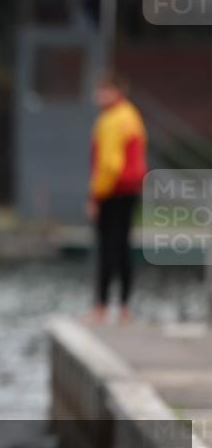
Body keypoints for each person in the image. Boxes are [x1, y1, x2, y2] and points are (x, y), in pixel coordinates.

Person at [84, 73, 147, 325]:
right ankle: (124, 308)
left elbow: (109, 165)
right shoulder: (132, 116)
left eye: (103, 91)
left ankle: (100, 307)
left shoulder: (110, 120)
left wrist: (95, 197)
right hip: (131, 189)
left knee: (107, 248)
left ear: (117, 91)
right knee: (122, 248)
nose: (98, 97)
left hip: (113, 191)